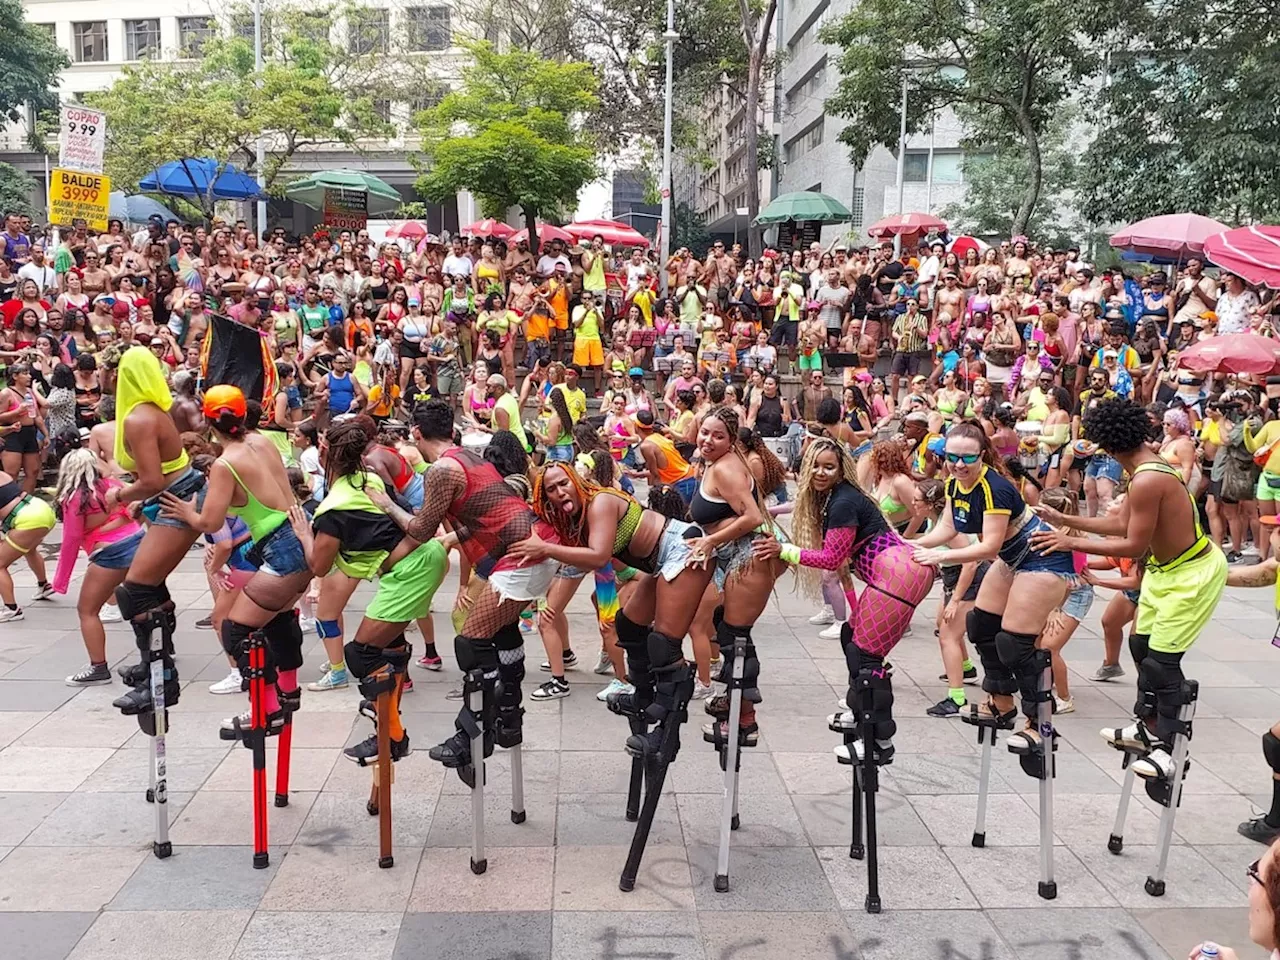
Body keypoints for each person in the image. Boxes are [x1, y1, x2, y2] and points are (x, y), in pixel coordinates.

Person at [1031, 398, 1228, 780]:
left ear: (1105, 445)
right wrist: (1065, 519)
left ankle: (1171, 749)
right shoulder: (1143, 472)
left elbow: (1132, 546)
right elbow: (1122, 525)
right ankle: (1146, 726)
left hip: (1192, 574)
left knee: (1162, 663)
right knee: (1140, 647)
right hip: (1165, 571)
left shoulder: (1149, 478)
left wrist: (1071, 542)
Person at [381, 401, 559, 770]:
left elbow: (420, 529)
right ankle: (509, 711)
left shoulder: (442, 470)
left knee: (471, 642)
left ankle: (475, 731)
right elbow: (485, 513)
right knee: (505, 632)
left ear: (416, 432)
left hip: (521, 557)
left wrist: (386, 504)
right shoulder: (470, 458)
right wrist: (453, 538)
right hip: (534, 548)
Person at [509, 460, 716, 752]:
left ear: (576, 482)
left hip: (683, 550)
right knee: (628, 626)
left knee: (664, 644)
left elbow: (597, 556)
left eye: (563, 483)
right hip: (656, 563)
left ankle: (667, 725)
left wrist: (544, 548)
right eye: (551, 490)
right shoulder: (573, 519)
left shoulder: (599, 502)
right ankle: (642, 695)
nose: (559, 492)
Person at [754, 438, 934, 760]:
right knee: (852, 636)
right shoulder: (834, 500)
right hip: (894, 576)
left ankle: (878, 741)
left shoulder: (842, 503)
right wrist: (853, 608)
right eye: (816, 466)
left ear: (841, 471)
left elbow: (830, 557)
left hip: (897, 578)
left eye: (829, 467)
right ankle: (858, 709)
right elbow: (840, 567)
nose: (821, 473)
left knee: (867, 660)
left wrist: (784, 550)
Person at [289, 415, 452, 762]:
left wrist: (306, 535)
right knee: (388, 646)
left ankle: (392, 735)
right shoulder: (370, 477)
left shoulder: (333, 510)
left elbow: (317, 567)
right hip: (423, 559)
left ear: (323, 452)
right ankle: (387, 706)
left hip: (413, 568)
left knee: (360, 654)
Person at [910, 422, 1078, 754]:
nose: (958, 464)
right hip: (1013, 557)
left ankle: (1039, 724)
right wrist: (907, 544)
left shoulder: (995, 488)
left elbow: (988, 547)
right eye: (951, 457)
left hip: (1042, 559)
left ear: (982, 455)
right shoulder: (954, 484)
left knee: (1015, 643)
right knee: (982, 625)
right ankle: (1001, 702)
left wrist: (936, 555)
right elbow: (946, 527)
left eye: (967, 458)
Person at [159, 385, 310, 738]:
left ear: (208, 421)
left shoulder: (225, 465)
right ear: (244, 416)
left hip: (281, 549)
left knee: (235, 628)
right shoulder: (262, 441)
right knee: (278, 619)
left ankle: (267, 708)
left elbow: (210, 523)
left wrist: (187, 511)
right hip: (301, 535)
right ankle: (288, 690)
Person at [106, 346, 210, 714]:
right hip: (175, 494)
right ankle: (156, 663)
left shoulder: (139, 419)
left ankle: (160, 676)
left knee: (134, 591)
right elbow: (163, 470)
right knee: (149, 586)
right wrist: (142, 499)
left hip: (176, 500)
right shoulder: (155, 411)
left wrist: (122, 494)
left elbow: (150, 478)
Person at [687, 406, 789, 744]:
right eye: (705, 432)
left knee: (735, 638)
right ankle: (734, 706)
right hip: (735, 558)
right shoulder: (714, 464)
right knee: (725, 628)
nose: (708, 440)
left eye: (718, 436)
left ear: (731, 441)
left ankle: (744, 723)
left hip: (749, 558)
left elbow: (755, 517)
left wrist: (711, 540)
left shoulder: (726, 469)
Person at [54, 447, 145, 683]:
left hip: (110, 553)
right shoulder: (111, 485)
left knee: (87, 611)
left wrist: (60, 580)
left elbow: (71, 539)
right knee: (144, 604)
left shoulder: (75, 498)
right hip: (138, 542)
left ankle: (98, 668)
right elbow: (134, 511)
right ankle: (158, 655)